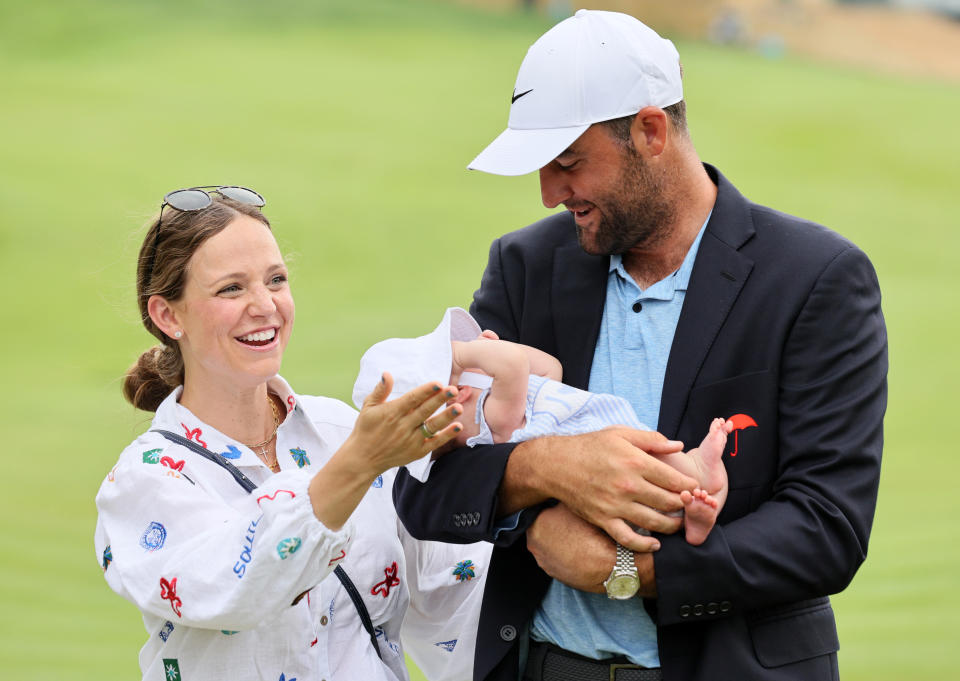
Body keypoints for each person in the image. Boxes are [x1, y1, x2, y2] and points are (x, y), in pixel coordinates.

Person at [393, 10, 887, 681]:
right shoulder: (524, 267)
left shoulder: (816, 277)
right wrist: (547, 467)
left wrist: (628, 570)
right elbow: (422, 482)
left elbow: (827, 526)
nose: (548, 193)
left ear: (651, 131)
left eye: (568, 164)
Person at [94, 186, 489, 681]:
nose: (265, 305)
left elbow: (455, 596)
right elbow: (238, 588)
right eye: (231, 288)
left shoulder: (346, 429)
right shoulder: (143, 481)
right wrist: (359, 464)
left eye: (275, 280)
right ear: (168, 315)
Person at [353, 307, 731, 546]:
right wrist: (468, 353)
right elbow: (515, 365)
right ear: (452, 398)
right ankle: (693, 510)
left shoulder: (499, 396)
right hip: (599, 440)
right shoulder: (494, 425)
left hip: (607, 425)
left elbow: (550, 369)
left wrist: (487, 354)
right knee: (657, 470)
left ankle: (698, 493)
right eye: (454, 362)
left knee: (669, 459)